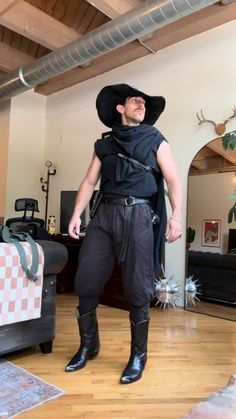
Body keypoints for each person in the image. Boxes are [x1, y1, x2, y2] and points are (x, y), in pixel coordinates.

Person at [65, 83, 183, 384]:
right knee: (87, 279)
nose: (141, 105)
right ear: (120, 108)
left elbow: (173, 180)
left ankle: (137, 355)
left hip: (140, 216)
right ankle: (88, 345)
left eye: (144, 102)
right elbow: (89, 182)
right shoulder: (104, 145)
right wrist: (77, 214)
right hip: (104, 215)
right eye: (135, 101)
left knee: (137, 287)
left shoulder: (156, 140)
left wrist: (178, 217)